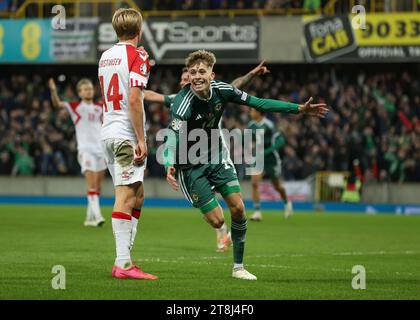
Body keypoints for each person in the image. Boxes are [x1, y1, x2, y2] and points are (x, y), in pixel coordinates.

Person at [163, 50, 328, 280]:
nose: (197, 76)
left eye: (202, 71)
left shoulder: (222, 90)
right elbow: (172, 135)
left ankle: (238, 268)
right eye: (192, 72)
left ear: (212, 74)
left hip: (215, 154)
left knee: (239, 208)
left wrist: (298, 109)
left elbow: (259, 102)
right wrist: (168, 163)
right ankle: (213, 212)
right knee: (218, 220)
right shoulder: (182, 103)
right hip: (189, 164)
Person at [144, 61, 271, 252]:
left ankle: (232, 227)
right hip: (189, 159)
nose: (186, 82)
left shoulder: (213, 92)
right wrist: (131, 89)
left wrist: (251, 74)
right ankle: (220, 228)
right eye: (184, 79)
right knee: (214, 215)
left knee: (235, 202)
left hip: (214, 152)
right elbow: (153, 96)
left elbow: (235, 85)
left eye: (189, 78)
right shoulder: (178, 99)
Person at [98, 8, 157, 280]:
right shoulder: (138, 55)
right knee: (125, 195)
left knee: (138, 193)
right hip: (124, 135)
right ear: (139, 30)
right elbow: (134, 99)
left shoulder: (106, 56)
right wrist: (141, 139)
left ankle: (126, 253)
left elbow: (119, 84)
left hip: (107, 131)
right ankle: (123, 263)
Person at [49, 78, 106, 227]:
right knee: (92, 185)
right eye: (85, 89)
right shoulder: (75, 106)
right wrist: (54, 91)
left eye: (90, 89)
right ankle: (98, 216)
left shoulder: (100, 107)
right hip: (85, 149)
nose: (89, 91)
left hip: (100, 150)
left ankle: (89, 218)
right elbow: (57, 104)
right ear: (79, 93)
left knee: (98, 187)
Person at [248, 108, 293, 221]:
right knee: (254, 183)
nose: (251, 113)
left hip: (271, 159)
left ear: (259, 113)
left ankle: (287, 202)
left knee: (277, 186)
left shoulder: (269, 125)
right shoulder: (251, 125)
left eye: (253, 111)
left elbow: (280, 141)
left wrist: (267, 151)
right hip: (258, 158)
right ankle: (257, 212)